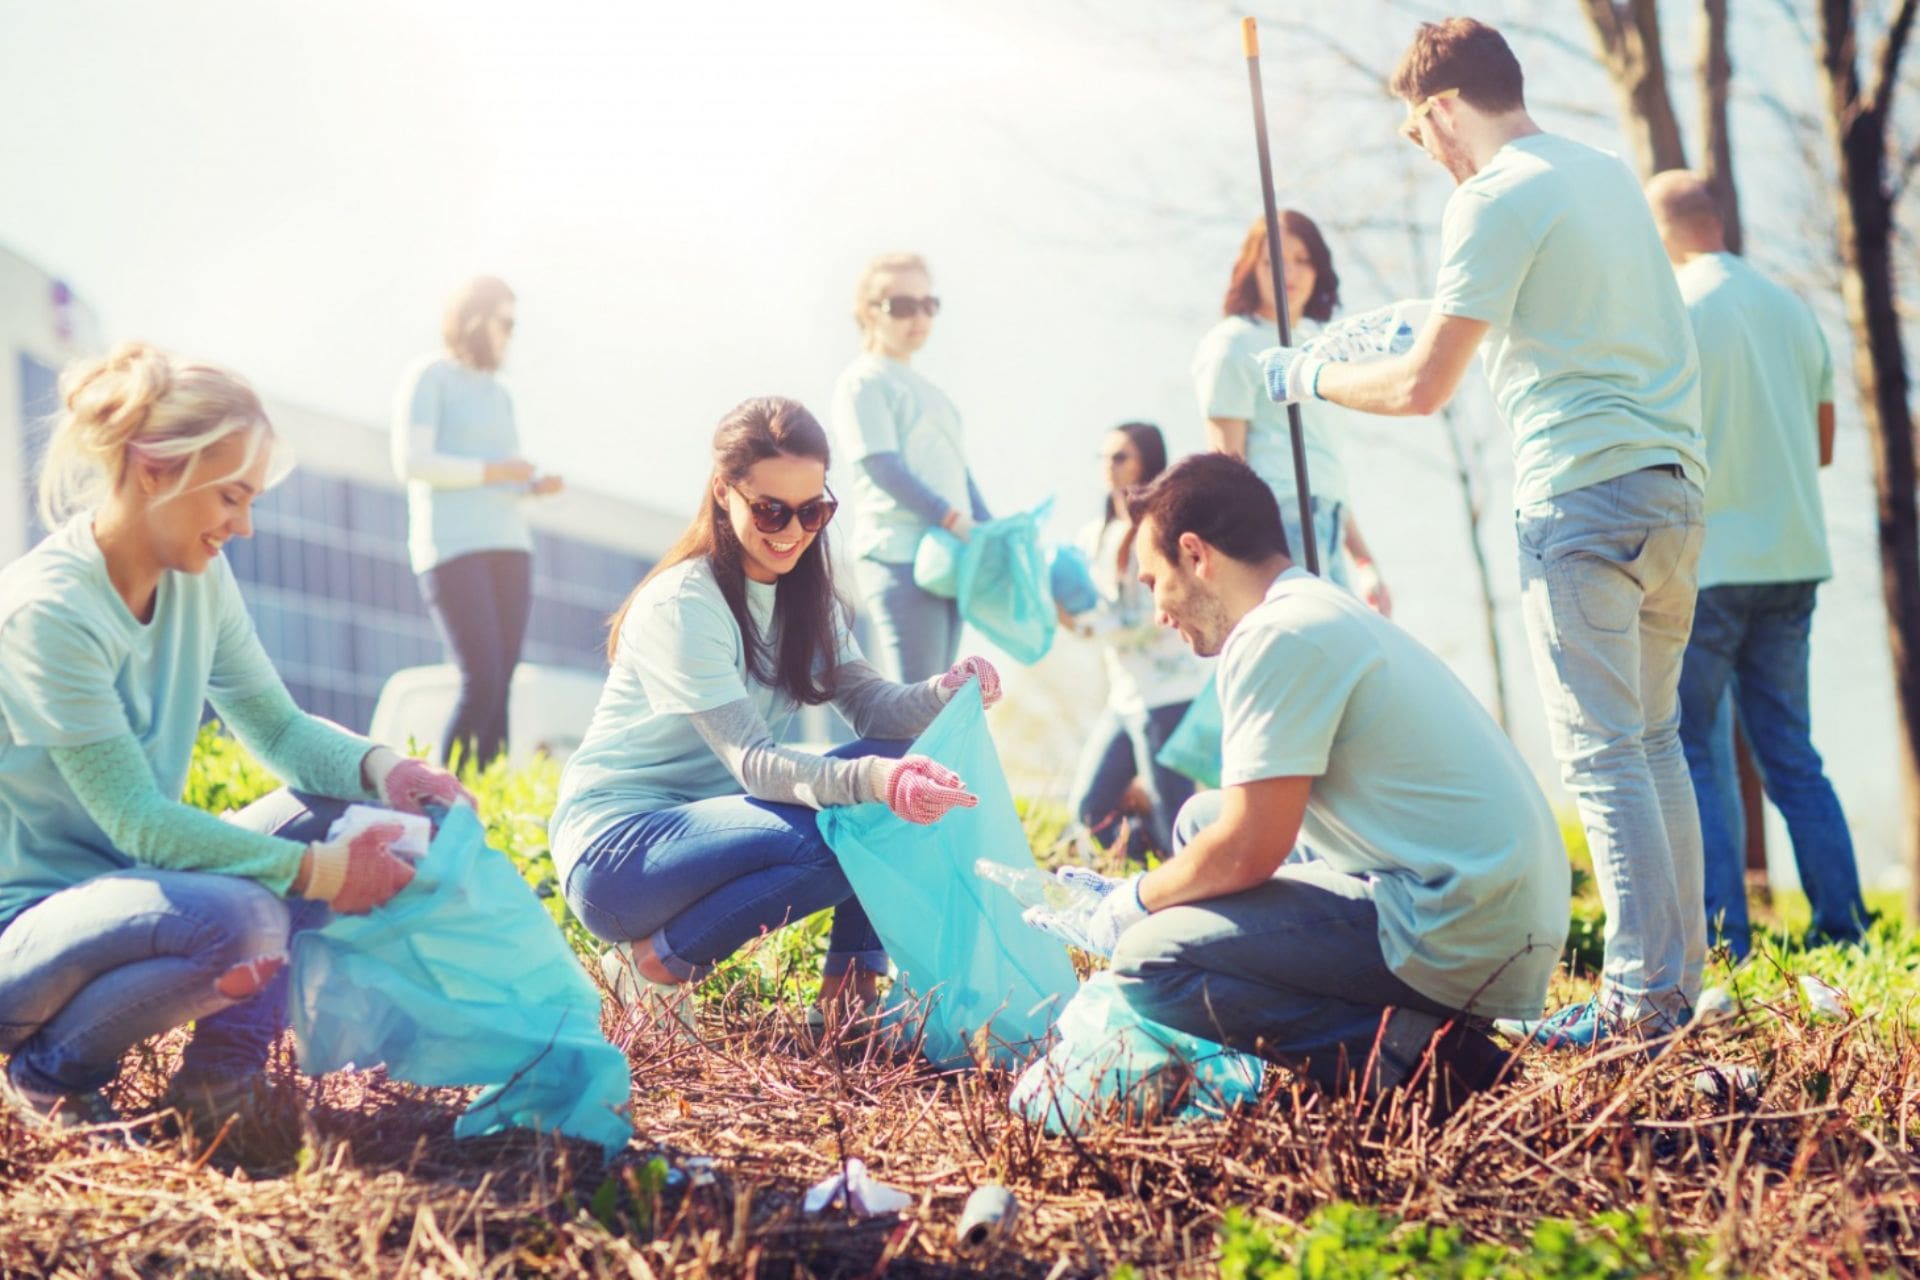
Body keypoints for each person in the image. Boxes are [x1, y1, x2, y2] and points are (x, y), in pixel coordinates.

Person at [1258, 18, 1708, 1048]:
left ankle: (1640, 1006)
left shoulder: (1492, 194)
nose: (1426, 153)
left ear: (1446, 106)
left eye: (1419, 132)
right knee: (1654, 742)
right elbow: (1555, 311)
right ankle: (1673, 988)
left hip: (1581, 497)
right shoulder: (1600, 172)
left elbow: (1423, 389)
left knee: (1603, 755)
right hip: (1673, 490)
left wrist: (1308, 376)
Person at [0, 344, 471, 1146]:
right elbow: (140, 823)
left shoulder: (198, 576)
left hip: (137, 893)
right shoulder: (48, 613)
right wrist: (324, 877)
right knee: (248, 921)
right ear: (153, 470)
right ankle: (50, 1077)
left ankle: (218, 1088)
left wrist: (388, 772)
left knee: (342, 820)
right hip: (29, 931)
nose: (243, 526)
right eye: (230, 496)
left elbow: (279, 729)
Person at [1025, 454, 1568, 1112]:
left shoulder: (1276, 635)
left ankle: (1424, 1059)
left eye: (1153, 580)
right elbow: (1231, 833)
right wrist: (1157, 891)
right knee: (1199, 818)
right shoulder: (1313, 608)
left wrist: (1133, 901)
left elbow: (1248, 851)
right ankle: (1403, 1029)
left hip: (1460, 922)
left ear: (1194, 555)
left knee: (1149, 960)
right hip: (1490, 900)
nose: (1157, 611)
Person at [550, 396, 1000, 1032]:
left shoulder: (808, 600)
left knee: (901, 770)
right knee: (858, 823)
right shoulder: (686, 604)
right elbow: (755, 764)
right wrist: (874, 785)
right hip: (618, 857)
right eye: (770, 510)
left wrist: (942, 692)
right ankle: (653, 965)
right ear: (722, 492)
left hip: (712, 836)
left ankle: (849, 997)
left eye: (813, 510)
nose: (792, 530)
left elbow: (873, 707)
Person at [1645, 169, 1869, 959]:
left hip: (1710, 564)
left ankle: (1725, 940)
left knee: (1696, 748)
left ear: (1663, 230)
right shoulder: (1793, 309)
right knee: (1792, 752)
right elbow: (1825, 446)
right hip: (1795, 558)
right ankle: (1845, 932)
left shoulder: (1675, 312)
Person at [392, 275, 564, 772]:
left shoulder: (500, 395)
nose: (511, 334)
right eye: (505, 322)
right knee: (482, 677)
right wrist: (494, 471)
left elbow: (503, 475)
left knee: (503, 680)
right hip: (452, 549)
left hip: (510, 545)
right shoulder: (430, 376)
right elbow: (413, 462)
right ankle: (445, 800)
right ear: (473, 320)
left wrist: (530, 484)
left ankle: (487, 806)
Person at [1191, 212, 1390, 608]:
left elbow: (1324, 467)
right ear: (1251, 267)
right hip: (1277, 523)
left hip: (1328, 521)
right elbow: (1226, 468)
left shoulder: (1320, 349)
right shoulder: (1233, 343)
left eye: (1303, 259)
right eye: (1273, 261)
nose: (1290, 272)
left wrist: (1363, 560)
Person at [830, 253, 993, 683]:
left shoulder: (936, 394)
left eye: (928, 304)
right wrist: (953, 518)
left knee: (940, 700)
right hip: (898, 555)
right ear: (868, 311)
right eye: (902, 306)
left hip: (950, 558)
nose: (918, 316)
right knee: (916, 701)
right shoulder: (863, 380)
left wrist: (990, 530)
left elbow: (960, 475)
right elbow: (881, 465)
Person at [1060, 422, 1211, 861]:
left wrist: (1090, 627)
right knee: (1089, 809)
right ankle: (1156, 877)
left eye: (1121, 457)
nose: (1109, 467)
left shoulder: (1164, 530)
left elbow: (1157, 613)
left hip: (1167, 695)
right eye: (1103, 457)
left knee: (1175, 820)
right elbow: (1085, 599)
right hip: (1123, 698)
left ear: (1147, 461)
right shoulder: (1094, 535)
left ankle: (1193, 892)